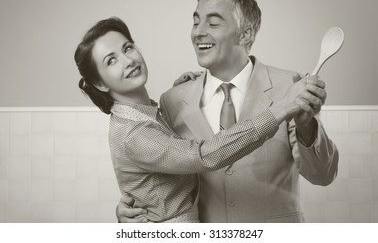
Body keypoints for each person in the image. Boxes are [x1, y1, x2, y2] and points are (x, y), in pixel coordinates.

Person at [117, 0, 339, 223]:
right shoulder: (172, 101)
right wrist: (132, 209)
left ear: (245, 34)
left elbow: (323, 175)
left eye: (212, 24)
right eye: (195, 22)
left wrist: (307, 128)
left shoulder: (289, 86)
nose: (198, 33)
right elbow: (166, 181)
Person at [74, 17, 320, 222]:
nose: (128, 61)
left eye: (127, 48)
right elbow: (201, 156)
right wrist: (280, 109)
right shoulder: (133, 135)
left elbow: (157, 168)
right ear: (99, 83)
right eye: (111, 60)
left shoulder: (155, 110)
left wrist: (178, 93)